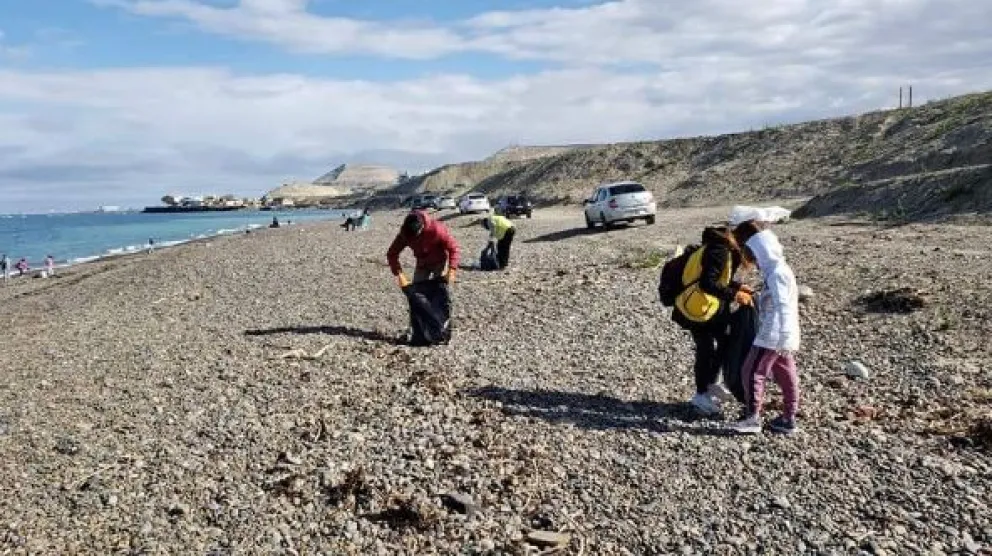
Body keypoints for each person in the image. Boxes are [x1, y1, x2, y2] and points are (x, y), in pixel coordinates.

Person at [672, 226, 754, 415]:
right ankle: (701, 394)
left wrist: (739, 286)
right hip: (697, 309)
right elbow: (707, 283)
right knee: (705, 348)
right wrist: (735, 295)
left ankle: (711, 383)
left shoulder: (725, 249)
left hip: (707, 307)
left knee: (724, 341)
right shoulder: (721, 250)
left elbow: (718, 280)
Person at [731, 226, 802, 435]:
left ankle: (752, 417)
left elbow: (782, 305)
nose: (753, 260)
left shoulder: (777, 274)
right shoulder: (781, 269)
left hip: (773, 333)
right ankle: (789, 418)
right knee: (786, 372)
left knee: (752, 371)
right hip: (783, 332)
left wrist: (784, 335)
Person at [387, 210, 460, 286]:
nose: (416, 237)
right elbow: (392, 253)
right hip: (422, 263)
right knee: (417, 288)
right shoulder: (404, 234)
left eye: (418, 234)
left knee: (441, 286)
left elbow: (453, 248)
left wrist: (452, 269)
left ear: (423, 226)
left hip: (440, 261)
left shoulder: (437, 229)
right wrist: (399, 274)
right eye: (413, 235)